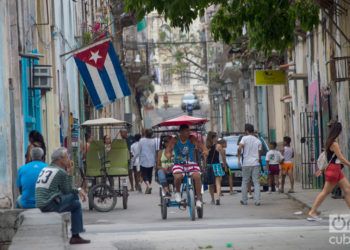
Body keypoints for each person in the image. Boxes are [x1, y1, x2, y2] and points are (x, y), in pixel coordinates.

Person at [35, 147, 90, 244]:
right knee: (75, 201)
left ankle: (76, 235)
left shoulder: (47, 168)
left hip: (41, 203)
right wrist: (70, 172)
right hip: (49, 204)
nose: (69, 159)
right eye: (67, 157)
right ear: (60, 159)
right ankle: (75, 235)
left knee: (75, 201)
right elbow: (67, 190)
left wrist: (77, 189)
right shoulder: (61, 172)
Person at [308, 122, 350, 221]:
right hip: (334, 170)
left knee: (348, 190)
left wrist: (322, 169)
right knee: (325, 192)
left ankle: (312, 212)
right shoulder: (334, 143)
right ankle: (312, 212)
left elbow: (330, 158)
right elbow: (341, 158)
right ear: (338, 131)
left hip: (336, 170)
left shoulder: (330, 141)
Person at [166, 124, 208, 208]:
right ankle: (177, 192)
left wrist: (204, 150)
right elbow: (168, 150)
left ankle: (199, 198)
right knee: (178, 177)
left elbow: (201, 146)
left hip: (191, 163)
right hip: (178, 163)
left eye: (189, 131)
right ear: (181, 132)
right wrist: (168, 155)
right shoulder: (175, 140)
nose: (189, 132)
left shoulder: (192, 138)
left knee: (197, 176)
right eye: (187, 131)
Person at [238, 124, 262, 206]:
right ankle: (257, 200)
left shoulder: (244, 138)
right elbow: (259, 154)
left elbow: (239, 148)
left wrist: (239, 157)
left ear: (246, 131)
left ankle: (244, 200)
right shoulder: (258, 141)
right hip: (255, 163)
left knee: (245, 181)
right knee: (256, 182)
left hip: (246, 163)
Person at [206, 133, 227, 205]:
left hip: (209, 166)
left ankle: (212, 199)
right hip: (217, 165)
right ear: (213, 138)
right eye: (216, 137)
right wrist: (224, 165)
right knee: (218, 183)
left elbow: (204, 157)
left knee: (210, 184)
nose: (217, 138)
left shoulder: (206, 146)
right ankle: (218, 197)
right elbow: (223, 156)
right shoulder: (218, 146)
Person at [139, 129, 157, 194]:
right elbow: (155, 150)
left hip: (143, 160)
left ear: (145, 134)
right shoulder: (154, 141)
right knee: (149, 174)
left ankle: (148, 186)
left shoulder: (141, 140)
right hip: (152, 160)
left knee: (144, 174)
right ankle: (148, 187)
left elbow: (139, 150)